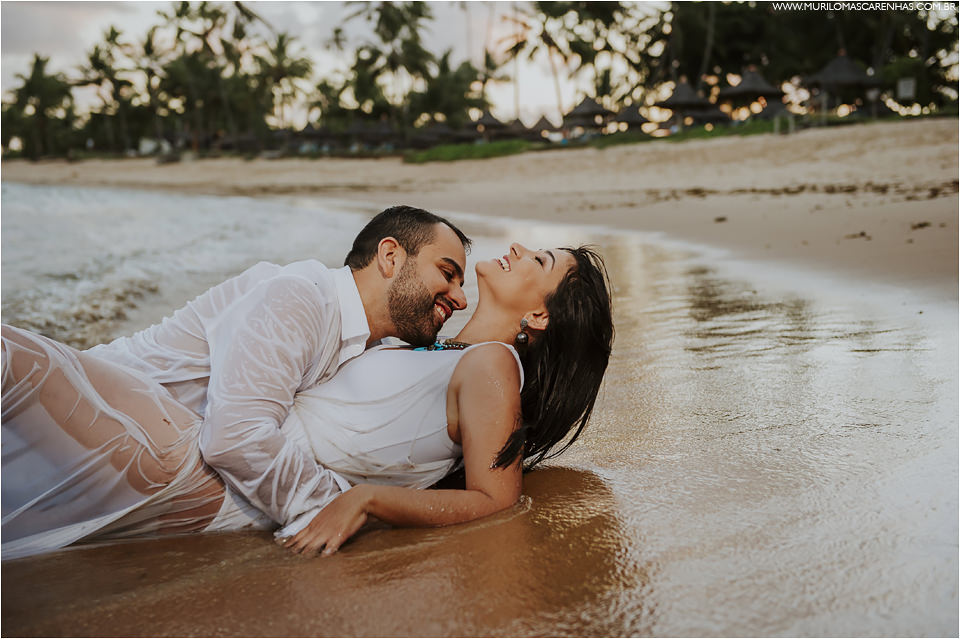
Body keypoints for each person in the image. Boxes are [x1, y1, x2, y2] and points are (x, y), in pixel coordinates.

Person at [2, 240, 613, 559]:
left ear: (539, 315)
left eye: (539, 260)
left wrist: (368, 500)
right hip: (219, 454)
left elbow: (496, 499)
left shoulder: (494, 365)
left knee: (18, 360)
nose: (519, 249)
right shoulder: (432, 349)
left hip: (207, 471)